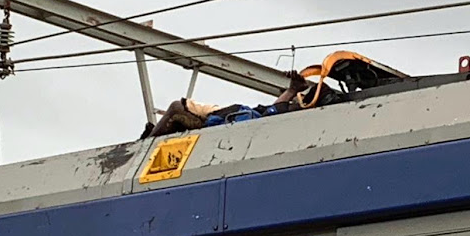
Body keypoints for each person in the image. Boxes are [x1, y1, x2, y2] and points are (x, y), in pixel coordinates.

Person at [139, 70, 336, 139]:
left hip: (219, 123)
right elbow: (275, 107)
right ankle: (149, 140)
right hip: (221, 117)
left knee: (175, 109)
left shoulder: (286, 120)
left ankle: (145, 147)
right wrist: (292, 89)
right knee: (177, 111)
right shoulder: (282, 111)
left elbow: (273, 111)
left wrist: (293, 90)